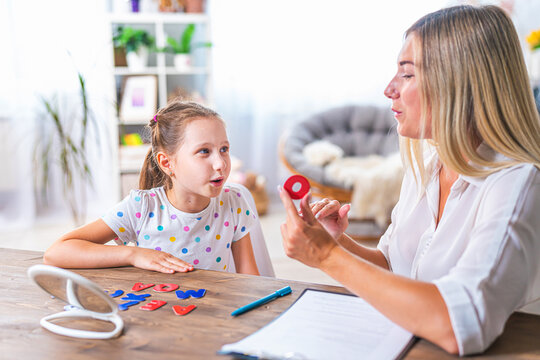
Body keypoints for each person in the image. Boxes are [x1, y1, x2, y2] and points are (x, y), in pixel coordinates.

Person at [278, 5, 540, 356]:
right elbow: (394, 267)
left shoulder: (519, 182)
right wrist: (336, 243)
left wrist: (327, 257)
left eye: (407, 74)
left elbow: (460, 326)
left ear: (458, 82)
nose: (389, 89)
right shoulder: (430, 163)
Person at [45, 101, 260, 276]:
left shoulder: (234, 204)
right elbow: (56, 252)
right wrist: (133, 254)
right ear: (167, 163)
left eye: (224, 149)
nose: (220, 163)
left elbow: (250, 280)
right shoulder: (141, 207)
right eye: (204, 151)